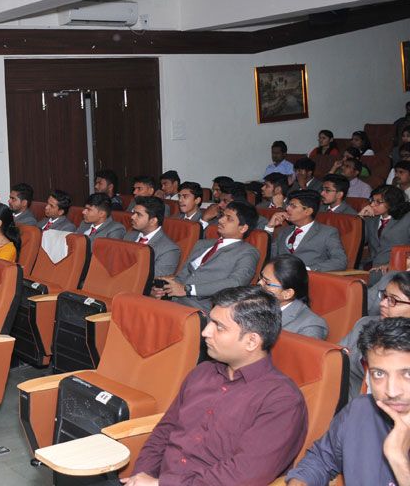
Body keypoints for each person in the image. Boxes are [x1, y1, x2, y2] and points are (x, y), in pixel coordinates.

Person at [123, 286, 308, 486]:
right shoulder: (202, 373)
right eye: (210, 321)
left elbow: (242, 476)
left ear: (251, 341)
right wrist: (141, 476)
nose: (205, 332)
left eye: (219, 327)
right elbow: (163, 434)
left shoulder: (282, 401)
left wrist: (160, 484)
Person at [287, 317, 410, 486]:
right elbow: (321, 459)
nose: (391, 391)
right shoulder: (361, 409)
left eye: (407, 374)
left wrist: (399, 460)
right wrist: (300, 480)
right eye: (379, 374)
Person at [153, 201, 260, 312]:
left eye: (229, 218)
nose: (220, 220)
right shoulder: (203, 244)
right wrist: (165, 288)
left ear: (243, 228)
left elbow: (236, 283)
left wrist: (188, 290)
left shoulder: (247, 252)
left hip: (202, 308)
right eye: (223, 215)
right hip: (174, 300)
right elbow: (183, 275)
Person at [338, 272, 410, 401]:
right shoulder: (364, 324)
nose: (382, 303)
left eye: (392, 300)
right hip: (348, 403)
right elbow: (336, 361)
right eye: (384, 296)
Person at [265, 190, 347, 272]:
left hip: (309, 279)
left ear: (308, 211)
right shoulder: (284, 231)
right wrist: (270, 227)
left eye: (293, 206)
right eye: (288, 205)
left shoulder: (327, 232)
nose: (287, 208)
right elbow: (268, 255)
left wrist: (307, 270)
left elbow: (340, 261)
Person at [361, 186, 410, 315]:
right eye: (372, 201)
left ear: (391, 203)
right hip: (368, 266)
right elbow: (356, 241)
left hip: (393, 270)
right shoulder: (372, 218)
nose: (372, 205)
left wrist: (393, 264)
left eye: (378, 202)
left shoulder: (407, 219)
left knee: (363, 300)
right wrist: (360, 217)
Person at [259, 255, 328, 339]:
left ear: (287, 293)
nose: (259, 283)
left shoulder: (310, 326)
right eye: (261, 277)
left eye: (267, 282)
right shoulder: (253, 304)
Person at [125, 196, 181, 277]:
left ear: (153, 221)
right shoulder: (129, 236)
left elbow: (154, 279)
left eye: (138, 214)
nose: (132, 217)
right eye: (134, 213)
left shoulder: (169, 249)